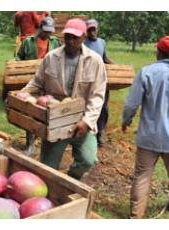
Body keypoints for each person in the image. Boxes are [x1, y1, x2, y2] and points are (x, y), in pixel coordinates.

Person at [20, 18, 107, 179]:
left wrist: (87, 121)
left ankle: (72, 179)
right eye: (67, 37)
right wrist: (22, 94)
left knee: (87, 160)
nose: (71, 41)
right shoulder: (51, 57)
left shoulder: (95, 61)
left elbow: (97, 95)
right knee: (48, 167)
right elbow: (37, 82)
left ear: (83, 37)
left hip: (81, 121)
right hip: (55, 120)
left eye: (75, 38)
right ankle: (49, 192)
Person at [122, 36, 169, 218]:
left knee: (141, 177)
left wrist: (126, 120)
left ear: (158, 51)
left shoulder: (147, 72)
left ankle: (136, 216)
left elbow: (132, 103)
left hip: (149, 137)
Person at [15, 16, 61, 156]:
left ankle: (46, 142)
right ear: (40, 28)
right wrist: (19, 66)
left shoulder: (55, 42)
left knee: (48, 112)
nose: (47, 34)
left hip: (49, 83)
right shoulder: (28, 42)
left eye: (49, 31)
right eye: (45, 30)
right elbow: (19, 58)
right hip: (33, 82)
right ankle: (30, 144)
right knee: (32, 112)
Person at [84, 19, 114, 147]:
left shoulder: (102, 42)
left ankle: (100, 133)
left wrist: (118, 66)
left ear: (98, 29)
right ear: (86, 31)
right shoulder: (83, 43)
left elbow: (105, 58)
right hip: (88, 80)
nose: (92, 32)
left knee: (104, 108)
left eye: (94, 29)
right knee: (89, 106)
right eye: (90, 29)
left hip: (102, 80)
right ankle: (87, 133)